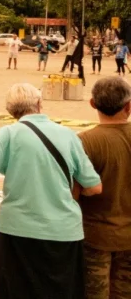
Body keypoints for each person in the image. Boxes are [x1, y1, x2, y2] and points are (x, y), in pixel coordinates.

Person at [0, 83, 102, 299]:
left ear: (10, 110)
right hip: (63, 231)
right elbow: (94, 186)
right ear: (39, 103)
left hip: (17, 230)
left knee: (16, 291)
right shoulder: (68, 135)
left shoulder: (7, 134)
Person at [79, 77, 131, 299]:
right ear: (128, 106)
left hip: (94, 237)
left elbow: (73, 192)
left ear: (93, 104)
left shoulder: (84, 142)